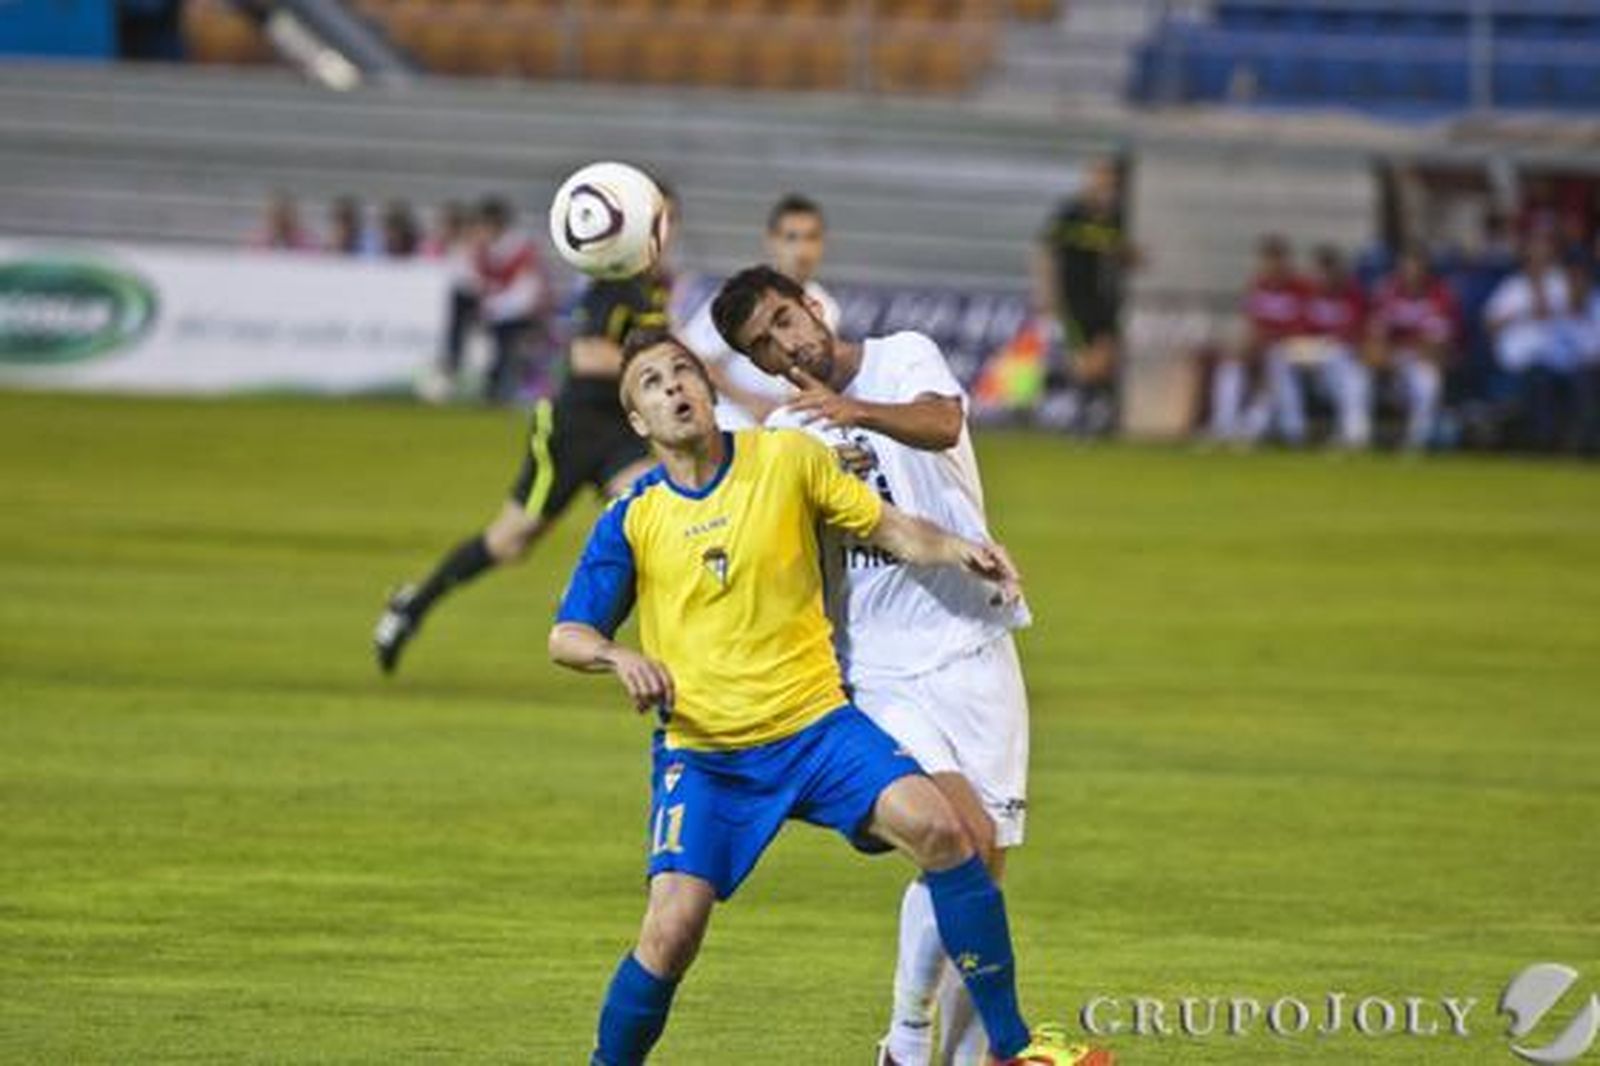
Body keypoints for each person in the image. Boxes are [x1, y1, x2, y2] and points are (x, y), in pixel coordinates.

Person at [549, 330, 1109, 1066]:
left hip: (818, 731)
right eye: (652, 383)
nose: (674, 387)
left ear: (709, 389)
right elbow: (567, 634)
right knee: (671, 932)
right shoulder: (632, 516)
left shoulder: (785, 459)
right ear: (637, 421)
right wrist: (617, 656)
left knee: (946, 834)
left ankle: (1014, 1049)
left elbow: (888, 527)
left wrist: (959, 550)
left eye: (683, 371)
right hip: (709, 757)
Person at [710, 265, 1037, 1066]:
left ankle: (943, 1057)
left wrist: (853, 411)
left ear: (810, 306)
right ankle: (907, 1038)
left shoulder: (904, 356)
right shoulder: (789, 439)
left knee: (983, 867)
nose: (786, 345)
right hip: (880, 668)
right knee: (956, 835)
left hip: (975, 642)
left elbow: (940, 421)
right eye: (763, 345)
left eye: (785, 320)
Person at [371, 257, 672, 674]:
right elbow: (588, 357)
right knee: (510, 542)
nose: (665, 234)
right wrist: (660, 361)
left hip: (621, 431)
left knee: (653, 506)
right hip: (572, 429)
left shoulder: (652, 289)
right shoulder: (612, 287)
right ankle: (412, 606)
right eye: (661, 220)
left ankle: (588, 597)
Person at [681, 193, 840, 428]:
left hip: (788, 428)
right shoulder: (740, 300)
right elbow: (690, 356)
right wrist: (749, 402)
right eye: (791, 238)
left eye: (811, 238)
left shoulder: (828, 307)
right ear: (772, 241)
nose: (802, 250)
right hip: (734, 423)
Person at [1037, 158, 1137, 437]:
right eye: (1100, 178)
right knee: (1085, 362)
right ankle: (1081, 418)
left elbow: (1125, 257)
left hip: (1104, 298)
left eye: (1110, 181)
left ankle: (1090, 414)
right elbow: (1046, 253)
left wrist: (1132, 256)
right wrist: (1046, 293)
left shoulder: (1115, 219)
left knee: (1106, 358)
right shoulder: (1071, 215)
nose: (1104, 186)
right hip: (1074, 299)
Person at [1208, 235, 1305, 445]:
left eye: (1276, 260)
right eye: (1267, 260)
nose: (1271, 266)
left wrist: (1268, 339)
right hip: (1263, 345)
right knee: (1230, 364)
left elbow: (1303, 325)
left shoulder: (1300, 287)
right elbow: (1251, 321)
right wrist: (1247, 344)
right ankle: (1224, 425)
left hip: (1294, 347)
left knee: (1276, 366)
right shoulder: (1258, 285)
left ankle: (1268, 428)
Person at [1486, 231, 1574, 450]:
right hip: (1518, 361)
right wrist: (1512, 316)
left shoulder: (1559, 283)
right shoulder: (1512, 286)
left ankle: (1544, 441)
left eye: (1542, 258)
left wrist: (1537, 288)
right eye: (1533, 258)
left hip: (1554, 359)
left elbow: (1552, 312)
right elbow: (1490, 323)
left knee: (1541, 378)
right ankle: (1535, 440)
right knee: (1533, 379)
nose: (1537, 263)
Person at [1277, 245, 1370, 449]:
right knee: (1280, 358)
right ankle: (1293, 429)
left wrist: (1331, 342)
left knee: (1352, 375)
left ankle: (1353, 433)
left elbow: (1355, 332)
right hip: (1314, 351)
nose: (1324, 279)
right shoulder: (1310, 295)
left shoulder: (1352, 295)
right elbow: (1299, 328)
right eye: (1320, 273)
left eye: (1328, 273)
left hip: (1345, 354)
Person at [1367, 247, 1459, 452]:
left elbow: (1438, 341)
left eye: (1416, 267)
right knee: (1360, 370)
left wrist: (1412, 350)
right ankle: (1358, 437)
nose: (1410, 272)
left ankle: (1417, 441)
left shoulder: (1439, 294)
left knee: (1427, 381)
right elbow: (1376, 332)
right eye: (1406, 267)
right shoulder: (1389, 291)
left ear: (1425, 270)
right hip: (1394, 358)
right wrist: (1384, 356)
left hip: (1424, 358)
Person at [471, 197, 551, 405]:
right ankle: (495, 394)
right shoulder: (485, 250)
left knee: (513, 356)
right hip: (502, 315)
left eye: (482, 225)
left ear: (494, 223)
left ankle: (515, 393)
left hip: (521, 316)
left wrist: (494, 307)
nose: (479, 231)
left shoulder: (519, 250)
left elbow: (528, 293)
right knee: (495, 356)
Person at [249, 192, 317, 251]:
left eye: (285, 213)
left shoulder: (308, 242)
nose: (281, 219)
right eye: (275, 213)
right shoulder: (257, 243)